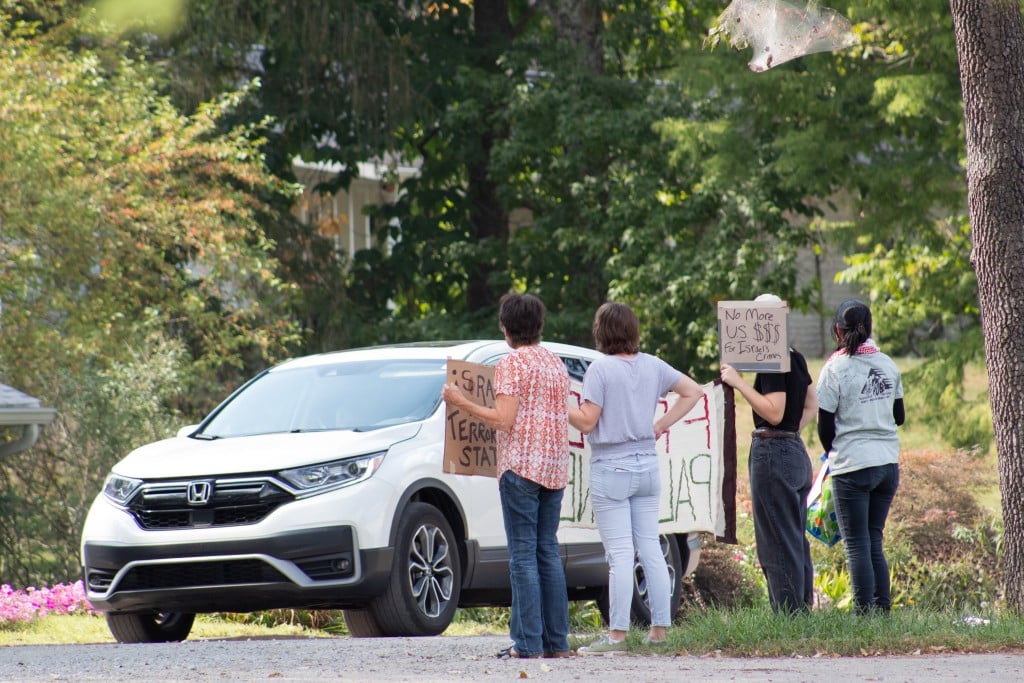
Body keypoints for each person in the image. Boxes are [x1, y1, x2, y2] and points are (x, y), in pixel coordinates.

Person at [440, 293, 574, 659]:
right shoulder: (555, 363)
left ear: (505, 328)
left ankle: (527, 643)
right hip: (554, 467)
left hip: (521, 467)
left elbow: (504, 419)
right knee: (547, 551)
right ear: (540, 326)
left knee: (523, 556)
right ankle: (557, 643)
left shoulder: (511, 364)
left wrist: (460, 401)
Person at [569, 302, 704, 654]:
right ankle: (659, 631)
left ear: (601, 332)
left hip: (611, 468)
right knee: (651, 550)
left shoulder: (600, 370)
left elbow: (586, 421)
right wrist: (659, 425)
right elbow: (694, 391)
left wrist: (558, 403)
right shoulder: (653, 365)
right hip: (647, 465)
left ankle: (617, 635)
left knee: (620, 555)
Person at [720, 293, 818, 615]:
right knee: (794, 537)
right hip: (793, 449)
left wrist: (739, 383)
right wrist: (792, 432)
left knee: (776, 540)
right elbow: (810, 405)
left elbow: (773, 412)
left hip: (774, 451)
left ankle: (788, 618)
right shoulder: (797, 357)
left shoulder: (773, 360)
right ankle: (800, 614)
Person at [816, 299, 904, 615]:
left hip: (852, 466)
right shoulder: (888, 364)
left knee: (856, 545)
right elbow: (900, 416)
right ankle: (882, 611)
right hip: (887, 465)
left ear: (837, 331)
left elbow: (824, 427)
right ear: (870, 329)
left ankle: (863, 615)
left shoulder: (834, 369)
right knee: (873, 539)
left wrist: (832, 453)